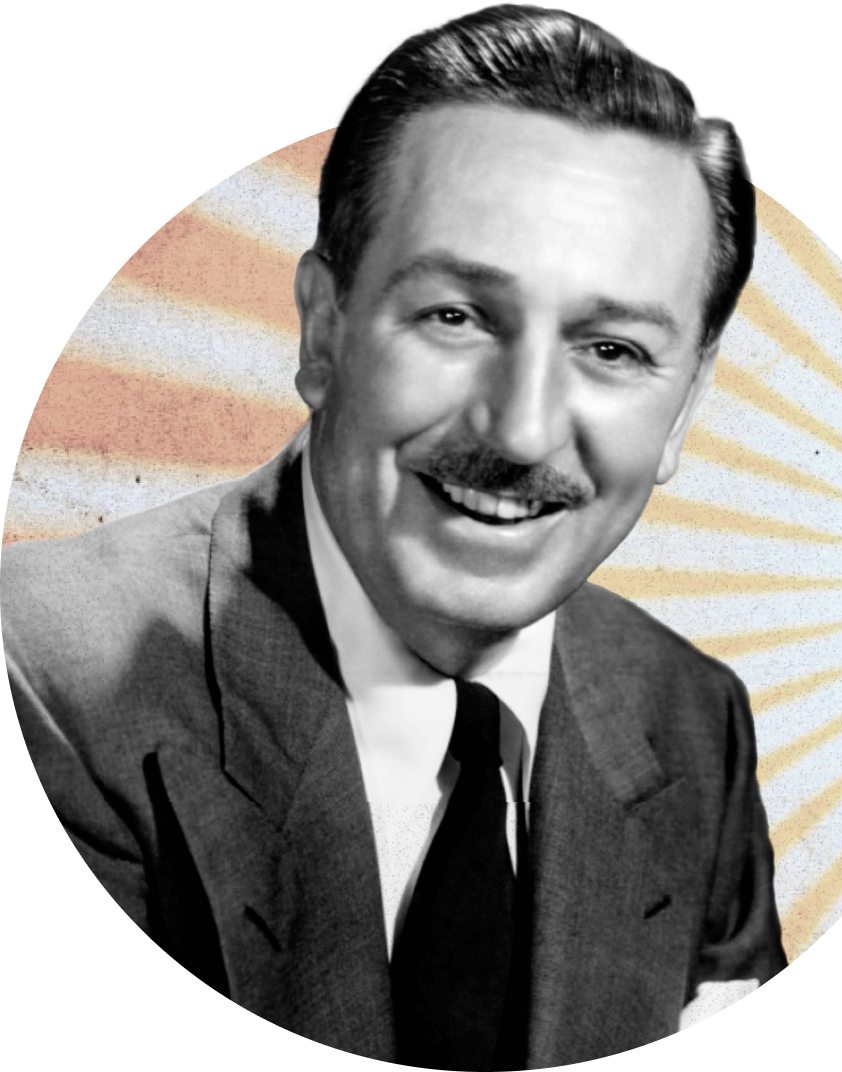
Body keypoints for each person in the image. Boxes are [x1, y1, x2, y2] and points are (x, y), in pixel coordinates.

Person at [2, 5, 786, 1066]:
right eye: (455, 316)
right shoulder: (45, 678)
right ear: (323, 330)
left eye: (611, 349)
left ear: (685, 407)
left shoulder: (694, 717)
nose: (520, 430)